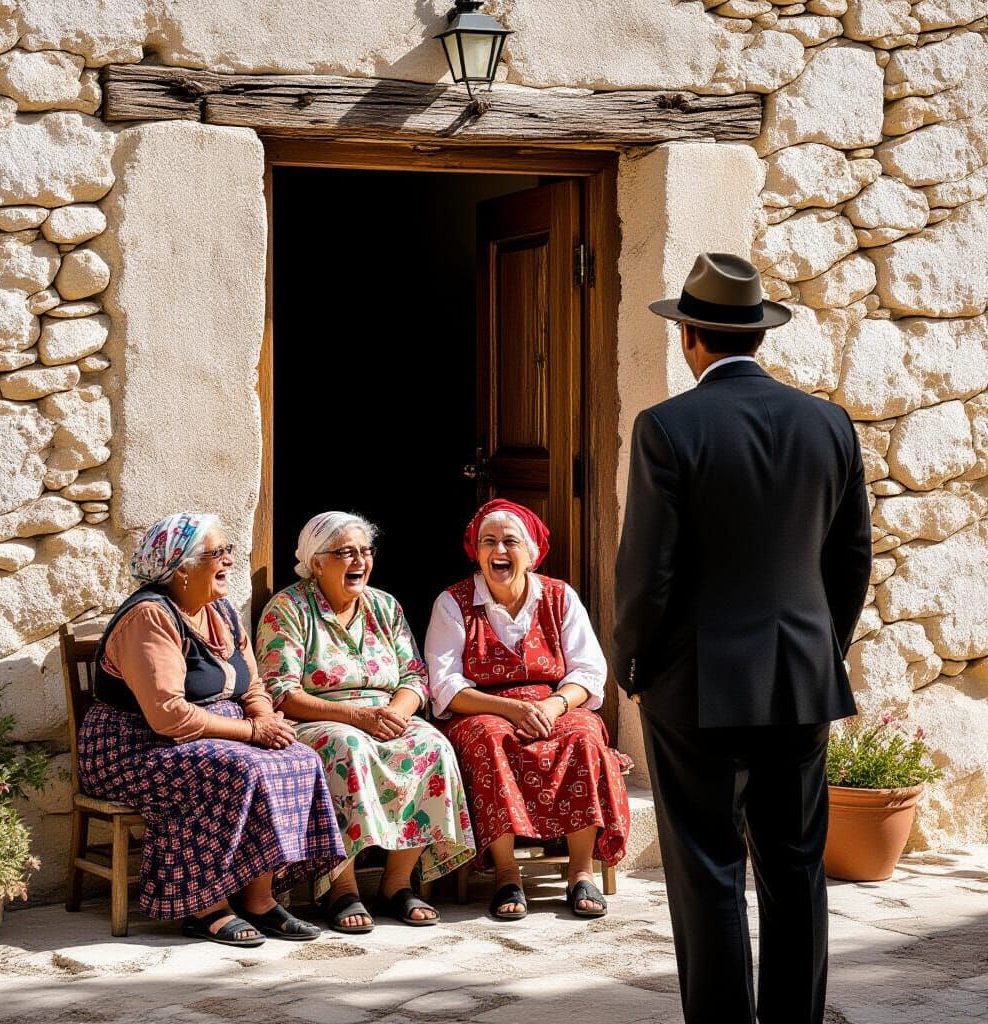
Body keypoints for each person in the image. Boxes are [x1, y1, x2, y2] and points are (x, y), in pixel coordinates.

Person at [613, 252, 872, 1024]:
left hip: (693, 683)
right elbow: (851, 555)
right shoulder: (828, 423)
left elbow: (646, 572)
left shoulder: (667, 426)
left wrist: (634, 663)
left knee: (707, 866)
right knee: (796, 866)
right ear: (757, 336)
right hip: (799, 679)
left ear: (689, 337)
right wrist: (821, 648)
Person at [78, 512, 345, 947]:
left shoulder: (219, 609)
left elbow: (252, 683)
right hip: (135, 745)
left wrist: (264, 719)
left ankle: (259, 899)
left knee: (299, 758)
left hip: (214, 730)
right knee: (240, 767)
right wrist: (253, 734)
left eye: (228, 551)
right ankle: (206, 905)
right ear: (181, 566)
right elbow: (168, 715)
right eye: (216, 553)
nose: (228, 561)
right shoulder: (150, 616)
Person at [255, 511, 474, 934]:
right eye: (345, 553)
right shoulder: (289, 608)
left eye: (365, 552)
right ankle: (343, 888)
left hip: (385, 714)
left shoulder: (384, 606)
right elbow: (280, 690)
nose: (359, 561)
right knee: (347, 749)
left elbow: (413, 676)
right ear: (316, 563)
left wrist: (396, 713)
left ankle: (396, 884)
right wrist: (356, 716)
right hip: (318, 717)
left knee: (431, 745)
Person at [426, 499, 630, 920]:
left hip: (552, 703)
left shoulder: (559, 596)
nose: (499, 551)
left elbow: (590, 671)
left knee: (583, 734)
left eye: (509, 542)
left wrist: (554, 704)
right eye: (489, 542)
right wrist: (509, 709)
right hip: (480, 707)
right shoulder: (453, 602)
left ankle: (580, 871)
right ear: (476, 550)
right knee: (488, 738)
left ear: (531, 552)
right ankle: (506, 873)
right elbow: (444, 685)